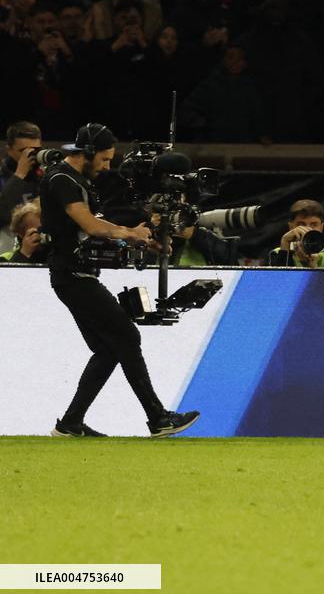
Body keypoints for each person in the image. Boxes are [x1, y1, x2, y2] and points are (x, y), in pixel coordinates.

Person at [41, 123, 200, 438]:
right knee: (126, 337)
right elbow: (91, 225)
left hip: (75, 275)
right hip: (73, 276)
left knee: (108, 348)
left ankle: (70, 424)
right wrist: (131, 232)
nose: (106, 166)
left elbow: (96, 229)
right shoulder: (62, 179)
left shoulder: (75, 180)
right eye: (103, 159)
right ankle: (158, 418)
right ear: (87, 153)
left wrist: (142, 240)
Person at [267, 199, 324, 269]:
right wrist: (285, 242)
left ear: (321, 227)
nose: (307, 229)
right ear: (291, 226)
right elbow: (279, 284)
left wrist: (313, 267)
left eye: (314, 224)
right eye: (301, 224)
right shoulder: (277, 254)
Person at [0, 121, 43, 252]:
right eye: (24, 151)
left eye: (35, 150)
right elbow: (2, 214)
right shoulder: (2, 175)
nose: (31, 156)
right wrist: (19, 174)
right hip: (6, 249)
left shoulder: (44, 175)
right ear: (9, 149)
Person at [0, 198, 47, 263]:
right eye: (40, 230)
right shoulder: (5, 261)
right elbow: (12, 273)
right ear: (22, 236)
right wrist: (25, 254)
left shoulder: (58, 252)